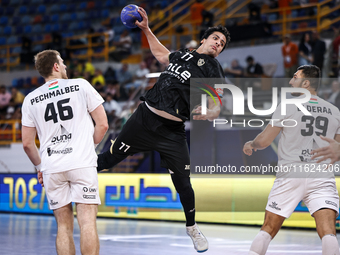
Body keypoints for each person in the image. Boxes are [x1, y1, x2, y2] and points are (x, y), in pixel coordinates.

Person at [96, 7, 230, 253]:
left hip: (172, 131)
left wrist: (210, 113)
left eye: (221, 44)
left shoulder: (212, 69)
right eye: (215, 39)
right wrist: (146, 29)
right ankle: (66, 174)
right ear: (204, 39)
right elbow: (162, 54)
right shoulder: (182, 55)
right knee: (106, 160)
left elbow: (216, 104)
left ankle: (192, 227)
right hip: (143, 119)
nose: (217, 44)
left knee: (184, 184)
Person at [243, 65, 340, 255]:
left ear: (305, 83)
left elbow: (264, 141)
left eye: (295, 77)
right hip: (322, 175)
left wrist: (251, 144)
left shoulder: (288, 106)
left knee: (268, 230)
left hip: (290, 174)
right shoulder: (334, 110)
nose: (290, 81)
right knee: (328, 232)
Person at [21, 50, 108, 255]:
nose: (66, 66)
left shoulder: (30, 99)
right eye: (62, 62)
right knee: (87, 223)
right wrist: (88, 146)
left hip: (52, 166)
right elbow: (102, 125)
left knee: (63, 226)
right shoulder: (81, 85)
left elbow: (27, 144)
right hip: (81, 163)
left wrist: (40, 167)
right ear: (56, 66)